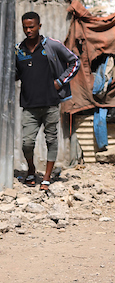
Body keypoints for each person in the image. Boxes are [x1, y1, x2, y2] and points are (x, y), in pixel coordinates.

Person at [15, 12, 80, 189]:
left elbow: (75, 62)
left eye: (32, 27)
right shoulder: (18, 50)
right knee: (27, 143)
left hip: (51, 103)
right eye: (25, 27)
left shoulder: (51, 45)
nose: (28, 30)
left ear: (39, 26)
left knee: (51, 140)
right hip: (29, 105)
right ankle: (31, 170)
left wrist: (60, 82)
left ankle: (46, 177)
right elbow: (14, 74)